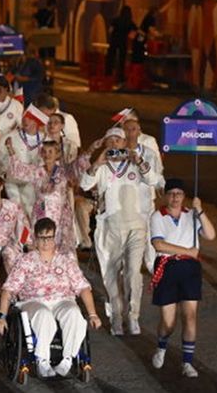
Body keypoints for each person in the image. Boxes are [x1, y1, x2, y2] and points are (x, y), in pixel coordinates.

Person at [0, 218, 103, 379]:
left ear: (54, 237)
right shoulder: (25, 260)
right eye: (42, 238)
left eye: (49, 237)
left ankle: (67, 359)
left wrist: (93, 314)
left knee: (74, 313)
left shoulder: (65, 260)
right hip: (33, 301)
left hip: (62, 299)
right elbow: (9, 289)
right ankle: (42, 360)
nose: (45, 242)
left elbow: (83, 287)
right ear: (35, 239)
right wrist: (1, 316)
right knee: (44, 315)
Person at [78, 127, 162, 335]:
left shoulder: (137, 163)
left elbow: (154, 180)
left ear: (125, 144)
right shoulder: (104, 168)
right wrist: (97, 163)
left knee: (133, 272)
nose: (114, 144)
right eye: (110, 141)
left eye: (118, 140)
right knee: (111, 275)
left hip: (136, 226)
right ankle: (117, 317)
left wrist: (139, 160)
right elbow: (85, 184)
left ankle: (133, 316)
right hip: (110, 228)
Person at [149, 178, 216, 378]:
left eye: (179, 193)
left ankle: (187, 362)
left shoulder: (191, 215)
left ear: (184, 196)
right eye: (171, 193)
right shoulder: (157, 216)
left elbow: (210, 235)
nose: (175, 197)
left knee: (190, 316)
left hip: (190, 269)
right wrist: (188, 251)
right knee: (168, 323)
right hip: (167, 266)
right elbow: (159, 245)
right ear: (165, 195)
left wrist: (201, 211)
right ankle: (161, 346)